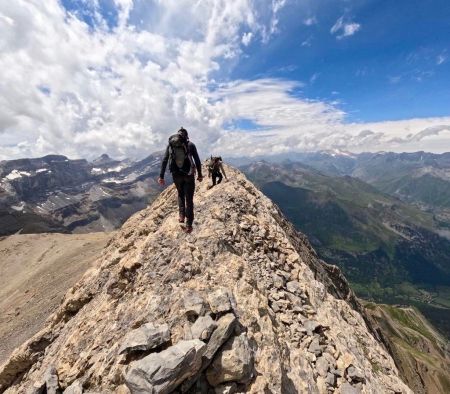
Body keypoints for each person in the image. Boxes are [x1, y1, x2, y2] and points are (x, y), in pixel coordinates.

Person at [158, 127, 203, 233]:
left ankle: (181, 216)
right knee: (189, 199)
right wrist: (200, 175)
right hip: (188, 174)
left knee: (180, 194)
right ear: (186, 136)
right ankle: (188, 225)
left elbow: (165, 160)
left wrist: (161, 176)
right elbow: (197, 160)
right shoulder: (191, 145)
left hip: (176, 174)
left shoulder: (171, 145)